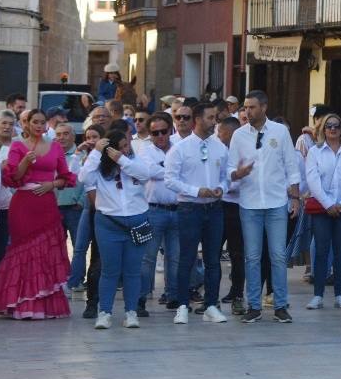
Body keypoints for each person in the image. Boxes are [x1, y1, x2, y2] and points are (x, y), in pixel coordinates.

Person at [0, 109, 76, 319]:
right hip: (23, 204)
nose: (38, 125)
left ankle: (43, 304)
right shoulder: (17, 146)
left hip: (47, 204)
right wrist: (26, 162)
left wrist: (50, 184)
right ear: (26, 124)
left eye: (42, 122)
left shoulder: (55, 147)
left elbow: (66, 178)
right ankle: (20, 303)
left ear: (47, 125)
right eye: (34, 122)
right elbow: (12, 179)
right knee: (22, 251)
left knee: (45, 252)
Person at [227, 91, 301, 324]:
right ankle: (254, 306)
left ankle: (280, 304)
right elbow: (230, 170)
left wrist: (296, 198)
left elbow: (291, 166)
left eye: (252, 107)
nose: (247, 112)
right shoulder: (238, 136)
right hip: (249, 204)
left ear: (264, 108)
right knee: (252, 256)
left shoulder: (280, 132)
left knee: (278, 255)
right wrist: (238, 174)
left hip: (276, 202)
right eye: (245, 108)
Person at [80, 128, 156, 328]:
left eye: (127, 145)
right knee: (109, 270)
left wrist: (122, 160)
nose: (126, 149)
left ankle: (131, 312)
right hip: (109, 223)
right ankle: (104, 312)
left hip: (137, 221)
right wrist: (97, 152)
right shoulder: (99, 166)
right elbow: (84, 178)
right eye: (121, 147)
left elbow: (145, 174)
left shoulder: (133, 160)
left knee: (133, 270)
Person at [165, 101, 229, 324]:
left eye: (215, 118)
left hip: (214, 208)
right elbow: (170, 179)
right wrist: (195, 191)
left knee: (213, 259)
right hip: (190, 208)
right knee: (187, 258)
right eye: (211, 118)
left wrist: (222, 188)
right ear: (198, 119)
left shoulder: (220, 146)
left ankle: (211, 304)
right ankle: (182, 305)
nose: (214, 122)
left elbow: (226, 174)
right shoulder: (180, 149)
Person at [304, 113, 341, 310]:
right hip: (322, 208)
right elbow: (313, 181)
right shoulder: (315, 152)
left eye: (336, 126)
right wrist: (328, 204)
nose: (332, 129)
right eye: (329, 126)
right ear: (323, 130)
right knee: (321, 250)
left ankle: (340, 294)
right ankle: (318, 294)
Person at [137, 113, 179, 313]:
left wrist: (163, 170)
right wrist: (173, 172)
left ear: (171, 129)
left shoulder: (180, 147)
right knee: (147, 257)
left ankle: (173, 295)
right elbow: (149, 172)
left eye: (164, 131)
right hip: (153, 210)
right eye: (155, 133)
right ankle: (141, 297)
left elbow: (182, 172)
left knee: (175, 256)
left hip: (178, 210)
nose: (160, 136)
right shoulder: (144, 151)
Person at [68, 125, 104, 318]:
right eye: (88, 136)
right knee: (80, 247)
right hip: (88, 208)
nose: (90, 140)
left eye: (95, 137)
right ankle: (74, 282)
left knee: (98, 256)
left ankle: (95, 298)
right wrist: (77, 152)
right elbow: (75, 176)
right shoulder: (85, 157)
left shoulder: (104, 157)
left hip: (101, 209)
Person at [216, 116, 246, 313]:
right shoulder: (219, 151)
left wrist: (222, 186)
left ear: (229, 132)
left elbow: (240, 182)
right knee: (213, 252)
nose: (218, 135)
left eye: (221, 132)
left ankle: (237, 293)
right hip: (219, 207)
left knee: (237, 254)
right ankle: (212, 295)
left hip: (238, 208)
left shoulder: (243, 152)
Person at [0, 110, 16, 275]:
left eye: (10, 124)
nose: (7, 127)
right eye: (3, 123)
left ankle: (0, 290)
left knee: (3, 251)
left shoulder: (16, 147)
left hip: (7, 207)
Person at [55, 123, 85, 248]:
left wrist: (81, 202)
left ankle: (77, 269)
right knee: (56, 250)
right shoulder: (51, 156)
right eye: (58, 134)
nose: (61, 137)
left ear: (73, 137)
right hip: (54, 209)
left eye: (65, 134)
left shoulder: (83, 155)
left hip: (75, 209)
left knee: (78, 249)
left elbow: (89, 182)